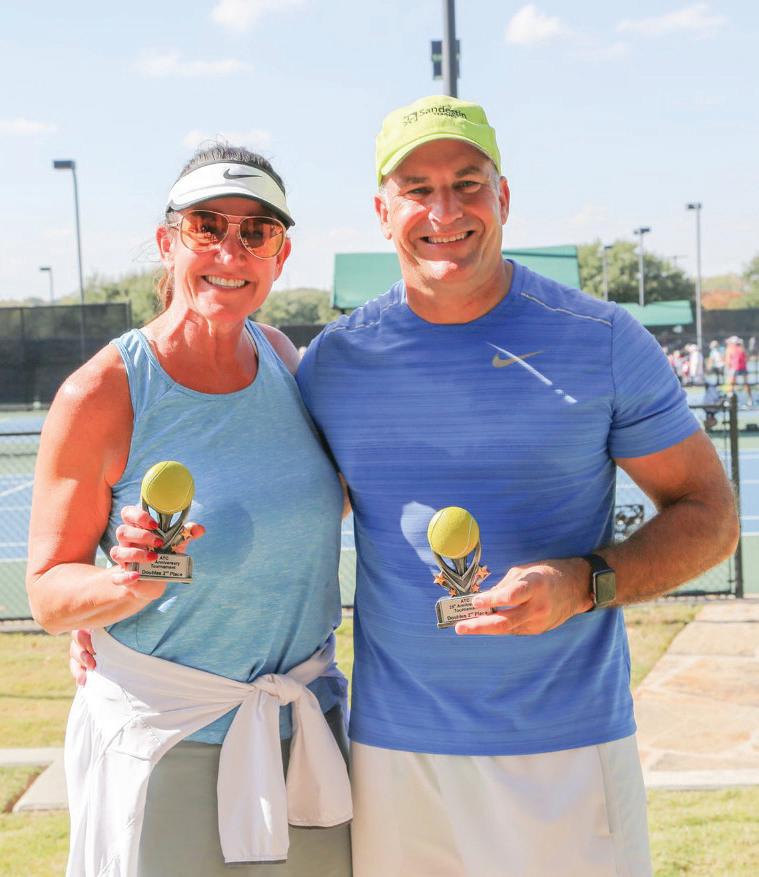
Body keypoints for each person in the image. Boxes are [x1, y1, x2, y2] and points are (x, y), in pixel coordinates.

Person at [293, 96, 738, 876]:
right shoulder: (334, 362)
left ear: (501, 196)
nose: (444, 210)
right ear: (382, 211)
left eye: (467, 183)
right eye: (417, 189)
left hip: (566, 750)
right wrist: (124, 608)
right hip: (396, 756)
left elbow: (709, 514)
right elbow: (284, 516)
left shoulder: (601, 339)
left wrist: (583, 581)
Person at [27, 146, 352, 877]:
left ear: (280, 255)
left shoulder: (282, 357)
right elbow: (48, 594)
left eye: (256, 232)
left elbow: (295, 514)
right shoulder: (102, 391)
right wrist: (124, 586)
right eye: (207, 226)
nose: (230, 252)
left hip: (305, 731)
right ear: (167, 241)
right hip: (172, 741)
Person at [726, 336, 753, 405]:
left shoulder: (730, 349)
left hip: (734, 368)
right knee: (746, 384)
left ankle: (729, 400)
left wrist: (729, 369)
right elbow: (747, 358)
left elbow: (728, 361)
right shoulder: (742, 348)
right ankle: (750, 399)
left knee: (731, 384)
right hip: (743, 368)